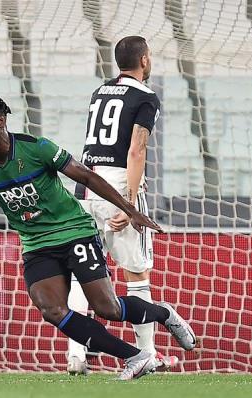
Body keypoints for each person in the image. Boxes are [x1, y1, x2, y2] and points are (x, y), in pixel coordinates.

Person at [0, 94, 197, 381]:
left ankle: (163, 314)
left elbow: (87, 177)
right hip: (37, 246)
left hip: (75, 232)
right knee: (51, 310)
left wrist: (130, 209)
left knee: (108, 309)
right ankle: (136, 357)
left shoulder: (36, 148)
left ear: (1, 121)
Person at [65, 35, 177, 375]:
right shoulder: (146, 97)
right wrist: (129, 205)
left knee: (81, 274)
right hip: (117, 184)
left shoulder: (99, 92)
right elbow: (136, 150)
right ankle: (149, 354)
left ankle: (75, 355)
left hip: (84, 185)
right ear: (144, 60)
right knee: (137, 272)